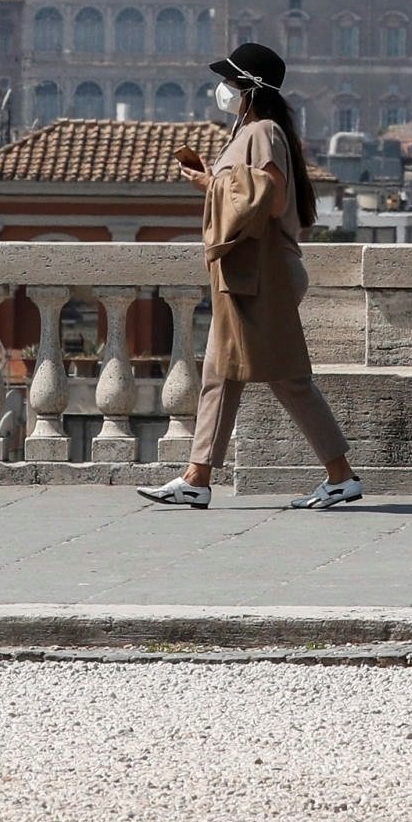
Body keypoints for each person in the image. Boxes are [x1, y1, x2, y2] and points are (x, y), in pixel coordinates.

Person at [139, 41, 364, 510]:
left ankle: (340, 475)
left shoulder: (262, 131)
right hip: (253, 270)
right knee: (224, 373)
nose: (223, 89)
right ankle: (197, 477)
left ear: (249, 87)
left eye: (230, 81)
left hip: (264, 272)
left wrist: (208, 183)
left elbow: (269, 194)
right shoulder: (255, 132)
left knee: (282, 377)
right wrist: (215, 179)